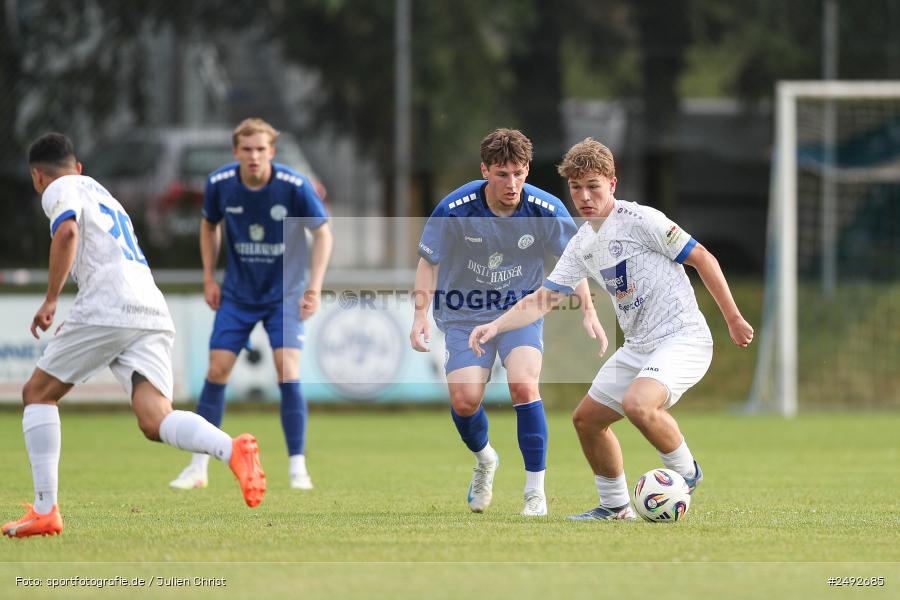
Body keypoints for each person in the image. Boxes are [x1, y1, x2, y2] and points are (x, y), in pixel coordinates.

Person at [469, 138, 754, 520]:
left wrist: (733, 318)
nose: (584, 196)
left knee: (638, 404)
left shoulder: (641, 220)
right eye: (576, 187)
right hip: (639, 345)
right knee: (587, 420)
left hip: (682, 336)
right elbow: (544, 299)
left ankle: (687, 474)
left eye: (593, 186)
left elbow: (702, 258)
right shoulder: (581, 243)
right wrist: (495, 326)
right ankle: (615, 506)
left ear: (612, 184)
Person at [2, 133, 266, 538]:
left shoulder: (59, 188)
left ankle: (45, 510)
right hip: (150, 306)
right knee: (155, 418)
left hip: (109, 303)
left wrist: (52, 298)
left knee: (37, 394)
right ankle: (231, 449)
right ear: (79, 166)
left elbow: (67, 233)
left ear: (38, 176)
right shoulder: (104, 195)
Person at [410, 128, 603, 517]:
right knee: (465, 401)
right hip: (465, 314)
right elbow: (428, 262)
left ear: (527, 169)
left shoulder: (545, 209)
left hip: (520, 313)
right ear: (485, 171)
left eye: (518, 173)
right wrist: (419, 315)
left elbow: (572, 261)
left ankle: (535, 492)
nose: (512, 183)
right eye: (502, 174)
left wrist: (588, 307)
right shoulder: (456, 208)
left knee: (523, 385)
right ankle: (485, 460)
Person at [169, 118, 332, 491]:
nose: (254, 156)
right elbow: (208, 226)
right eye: (247, 149)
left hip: (284, 294)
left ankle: (298, 468)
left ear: (271, 152)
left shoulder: (294, 186)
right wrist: (209, 277)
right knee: (217, 368)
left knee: (287, 368)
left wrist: (315, 286)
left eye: (261, 149)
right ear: (235, 152)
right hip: (238, 294)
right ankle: (198, 467)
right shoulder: (220, 184)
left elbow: (322, 233)